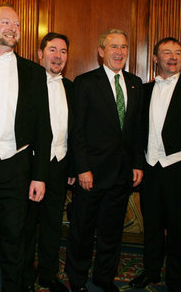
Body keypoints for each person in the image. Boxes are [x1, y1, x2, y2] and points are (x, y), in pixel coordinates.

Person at [0, 3, 51, 291]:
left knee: (17, 239)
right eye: (5, 23)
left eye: (16, 24)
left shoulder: (34, 73)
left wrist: (39, 175)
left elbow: (44, 128)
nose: (12, 28)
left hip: (17, 166)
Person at [129, 37, 181, 292]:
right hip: (151, 170)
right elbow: (134, 134)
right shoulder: (143, 91)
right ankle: (151, 271)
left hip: (180, 170)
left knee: (180, 229)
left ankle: (176, 278)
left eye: (178, 52)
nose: (173, 57)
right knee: (152, 226)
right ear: (155, 59)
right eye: (167, 52)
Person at [65, 28, 144, 292]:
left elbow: (136, 130)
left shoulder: (135, 83)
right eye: (113, 47)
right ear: (101, 52)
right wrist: (82, 168)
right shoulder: (85, 82)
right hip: (92, 174)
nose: (119, 52)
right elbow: (76, 130)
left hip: (122, 175)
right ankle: (76, 279)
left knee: (112, 233)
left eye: (123, 47)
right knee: (82, 231)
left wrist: (137, 165)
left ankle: (104, 278)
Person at [23, 32, 74, 292]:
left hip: (60, 165)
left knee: (53, 225)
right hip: (31, 167)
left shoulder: (71, 87)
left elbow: (75, 131)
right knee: (27, 226)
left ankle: (48, 274)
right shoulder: (27, 84)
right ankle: (24, 277)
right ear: (40, 53)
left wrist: (72, 167)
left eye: (63, 51)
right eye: (52, 50)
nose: (58, 56)